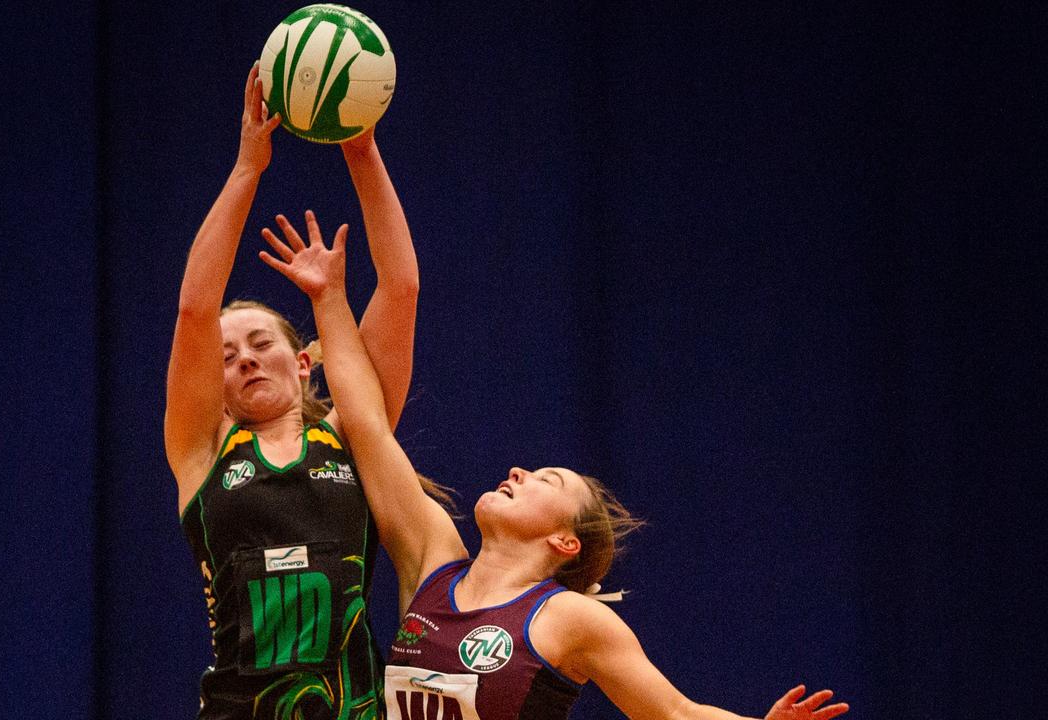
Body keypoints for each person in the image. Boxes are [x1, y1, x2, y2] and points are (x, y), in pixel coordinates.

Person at [257, 214, 852, 720]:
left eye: (546, 479)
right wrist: (329, 298)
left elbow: (677, 713)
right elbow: (364, 422)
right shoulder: (431, 562)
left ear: (565, 540)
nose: (518, 471)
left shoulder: (570, 618)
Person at [165, 63, 423, 720]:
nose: (245, 360)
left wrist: (360, 149)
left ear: (305, 362)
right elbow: (195, 310)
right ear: (212, 388)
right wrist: (248, 167)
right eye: (227, 358)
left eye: (260, 344)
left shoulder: (351, 434)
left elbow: (400, 290)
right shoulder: (201, 450)